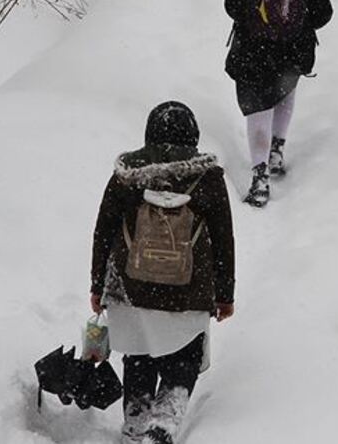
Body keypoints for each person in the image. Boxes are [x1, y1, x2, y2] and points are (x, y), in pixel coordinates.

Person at [89, 101, 235, 444]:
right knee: (184, 356)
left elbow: (104, 231)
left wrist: (97, 285)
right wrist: (225, 294)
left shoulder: (126, 174)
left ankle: (135, 422)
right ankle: (163, 425)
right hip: (188, 290)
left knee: (138, 353)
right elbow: (223, 239)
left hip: (130, 286)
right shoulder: (208, 178)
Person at [224, 0, 333, 207]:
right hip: (291, 53)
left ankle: (260, 176)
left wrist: (256, 20)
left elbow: (230, 5)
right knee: (284, 91)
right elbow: (324, 14)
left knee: (257, 110)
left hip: (251, 53)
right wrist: (295, 23)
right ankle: (277, 150)